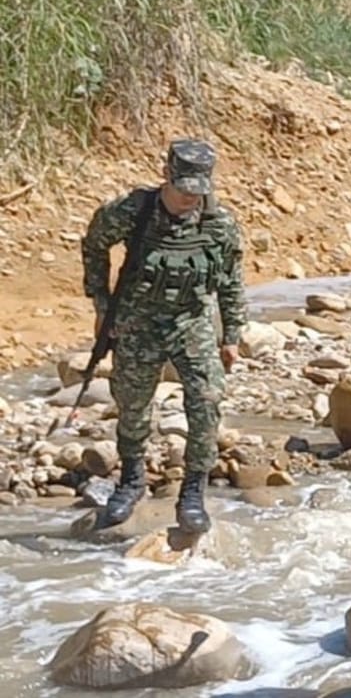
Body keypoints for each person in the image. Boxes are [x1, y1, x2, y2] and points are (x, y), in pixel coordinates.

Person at [81, 139, 246, 533]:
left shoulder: (218, 223)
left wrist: (232, 335)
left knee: (207, 400)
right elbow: (94, 245)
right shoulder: (132, 211)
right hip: (137, 323)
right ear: (167, 177)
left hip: (191, 323)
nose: (191, 197)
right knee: (133, 403)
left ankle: (193, 491)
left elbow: (231, 281)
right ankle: (131, 480)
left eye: (198, 190)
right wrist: (102, 304)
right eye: (184, 189)